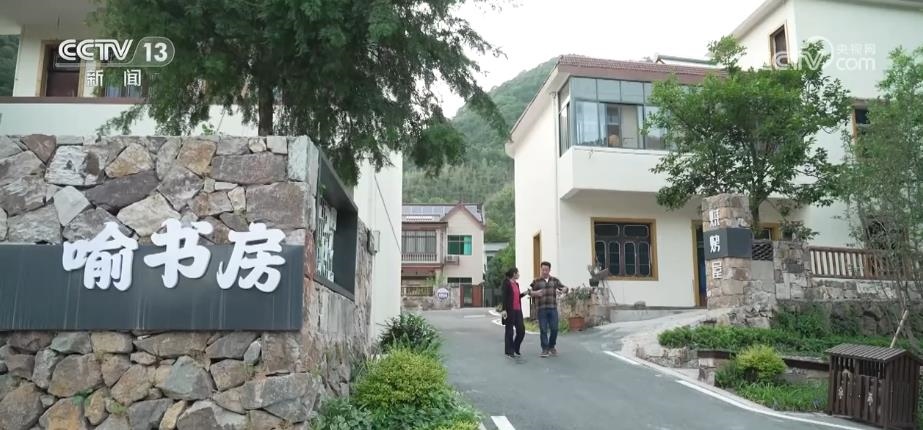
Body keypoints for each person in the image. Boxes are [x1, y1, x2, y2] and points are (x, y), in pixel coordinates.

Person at [530, 261, 567, 358]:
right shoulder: (536, 281)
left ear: (549, 270)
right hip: (541, 309)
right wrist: (535, 293)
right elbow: (530, 292)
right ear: (541, 269)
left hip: (552, 308)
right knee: (543, 329)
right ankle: (545, 349)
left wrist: (565, 289)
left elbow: (564, 288)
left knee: (555, 329)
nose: (544, 272)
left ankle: (551, 346)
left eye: (546, 270)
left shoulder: (554, 280)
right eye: (543, 270)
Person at [501, 267, 529, 360]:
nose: (519, 274)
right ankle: (509, 351)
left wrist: (525, 293)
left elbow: (517, 296)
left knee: (521, 330)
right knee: (509, 331)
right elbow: (504, 297)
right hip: (510, 310)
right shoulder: (506, 283)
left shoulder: (516, 284)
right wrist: (504, 310)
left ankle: (515, 348)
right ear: (514, 274)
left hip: (518, 310)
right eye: (518, 273)